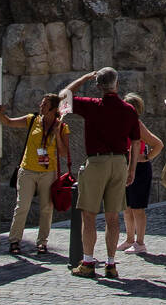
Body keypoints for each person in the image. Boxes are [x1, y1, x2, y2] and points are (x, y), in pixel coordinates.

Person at [60, 68, 141, 280]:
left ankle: (87, 262)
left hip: (96, 161)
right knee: (113, 217)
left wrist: (84, 78)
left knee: (88, 214)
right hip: (119, 162)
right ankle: (111, 263)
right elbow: (135, 141)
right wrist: (131, 168)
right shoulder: (129, 110)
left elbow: (63, 97)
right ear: (117, 85)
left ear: (98, 86)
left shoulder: (92, 105)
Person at [0, 93, 69, 255]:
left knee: (46, 208)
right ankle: (14, 240)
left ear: (53, 109)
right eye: (42, 103)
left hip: (48, 173)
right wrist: (0, 113)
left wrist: (57, 134)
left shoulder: (62, 127)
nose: (40, 106)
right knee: (22, 206)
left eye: (44, 105)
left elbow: (64, 153)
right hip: (27, 170)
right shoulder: (32, 120)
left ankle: (42, 242)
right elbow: (8, 122)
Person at [118, 93, 164, 254]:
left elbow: (158, 144)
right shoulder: (123, 124)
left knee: (138, 207)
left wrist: (146, 157)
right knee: (127, 207)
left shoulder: (136, 124)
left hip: (139, 169)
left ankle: (140, 242)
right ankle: (129, 238)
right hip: (126, 167)